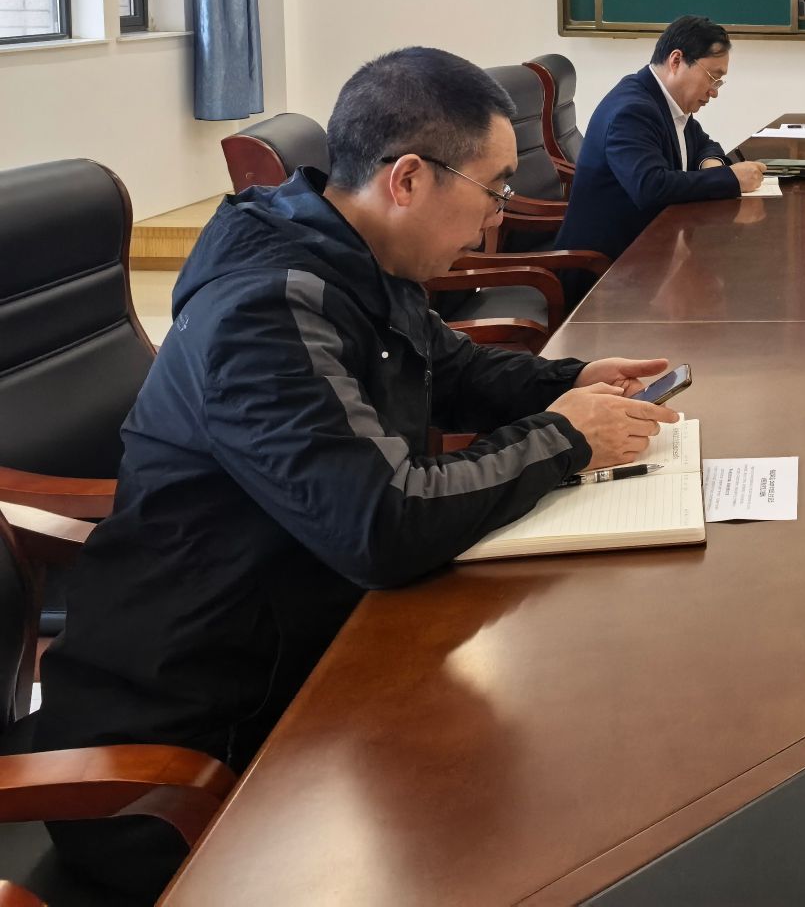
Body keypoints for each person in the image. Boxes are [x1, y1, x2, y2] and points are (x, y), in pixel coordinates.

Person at [35, 48, 681, 897]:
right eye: (492, 189)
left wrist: (572, 380)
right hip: (189, 748)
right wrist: (564, 437)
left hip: (310, 649)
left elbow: (451, 369)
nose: (498, 216)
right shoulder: (266, 308)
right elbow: (381, 523)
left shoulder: (357, 254)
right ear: (407, 179)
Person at [555, 14, 765, 261]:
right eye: (712, 77)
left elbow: (703, 143)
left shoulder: (663, 100)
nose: (714, 92)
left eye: (719, 82)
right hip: (606, 266)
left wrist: (711, 163)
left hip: (653, 247)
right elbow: (650, 187)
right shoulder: (632, 111)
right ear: (676, 60)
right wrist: (729, 178)